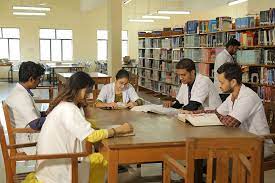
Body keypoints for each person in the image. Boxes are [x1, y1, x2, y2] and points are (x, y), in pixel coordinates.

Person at [31, 71, 133, 183]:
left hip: (51, 165)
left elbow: (82, 122)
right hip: (60, 171)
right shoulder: (69, 109)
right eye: (87, 91)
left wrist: (84, 104)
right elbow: (92, 137)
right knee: (103, 159)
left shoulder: (63, 104)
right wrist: (119, 130)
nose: (89, 95)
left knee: (95, 156)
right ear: (78, 89)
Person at [182, 62, 273, 157]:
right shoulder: (232, 96)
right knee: (207, 148)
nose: (219, 86)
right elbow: (216, 112)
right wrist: (192, 113)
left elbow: (230, 123)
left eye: (222, 82)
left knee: (216, 151)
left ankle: (215, 170)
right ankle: (206, 170)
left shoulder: (247, 97)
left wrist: (218, 116)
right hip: (244, 140)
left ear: (233, 82)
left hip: (259, 144)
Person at [5, 61, 46, 154]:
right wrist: (53, 117)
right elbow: (35, 124)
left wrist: (44, 114)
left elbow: (29, 114)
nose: (39, 82)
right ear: (31, 79)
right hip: (26, 141)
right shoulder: (21, 96)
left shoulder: (20, 91)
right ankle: (68, 161)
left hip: (25, 134)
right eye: (39, 79)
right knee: (61, 135)